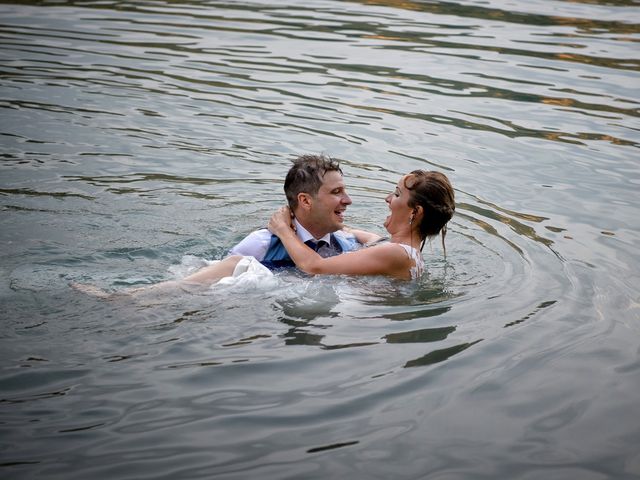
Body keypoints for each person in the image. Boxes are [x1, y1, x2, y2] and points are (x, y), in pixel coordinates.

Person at [267, 170, 455, 280]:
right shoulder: (397, 250)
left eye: (397, 194)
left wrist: (282, 229)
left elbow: (313, 267)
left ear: (415, 212)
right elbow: (351, 231)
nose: (388, 199)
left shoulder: (395, 254)